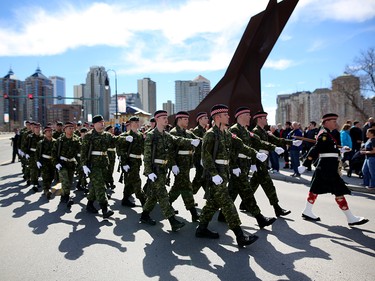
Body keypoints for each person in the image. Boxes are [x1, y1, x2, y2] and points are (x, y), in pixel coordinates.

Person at [195, 104, 261, 247]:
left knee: (212, 203)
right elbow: (205, 157)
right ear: (218, 117)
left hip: (224, 173)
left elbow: (241, 145)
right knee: (227, 203)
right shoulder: (211, 134)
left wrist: (256, 154)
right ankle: (240, 236)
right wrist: (213, 174)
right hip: (215, 174)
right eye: (225, 115)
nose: (229, 116)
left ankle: (201, 229)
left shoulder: (226, 133)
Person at [299, 113, 369, 226]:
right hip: (327, 167)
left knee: (315, 189)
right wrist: (305, 163)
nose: (336, 123)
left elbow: (329, 149)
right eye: (333, 121)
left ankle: (307, 211)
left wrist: (341, 151)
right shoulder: (324, 135)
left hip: (327, 167)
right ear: (326, 122)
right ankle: (351, 218)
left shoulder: (329, 135)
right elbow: (315, 148)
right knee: (338, 190)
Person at [140, 110, 200, 232]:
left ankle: (144, 215)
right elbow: (146, 156)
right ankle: (172, 221)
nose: (166, 119)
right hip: (155, 170)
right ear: (157, 119)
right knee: (162, 195)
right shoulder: (152, 135)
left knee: (152, 196)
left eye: (166, 117)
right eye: (163, 117)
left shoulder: (166, 135)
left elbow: (177, 140)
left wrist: (191, 141)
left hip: (163, 169)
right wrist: (148, 172)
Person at [224, 107, 279, 229]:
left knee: (232, 191)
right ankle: (260, 218)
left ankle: (222, 215)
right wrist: (233, 166)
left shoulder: (246, 131)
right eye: (247, 115)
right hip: (238, 165)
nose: (250, 117)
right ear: (241, 116)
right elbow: (231, 150)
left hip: (245, 164)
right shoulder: (234, 130)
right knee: (247, 192)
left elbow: (258, 143)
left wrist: (274, 148)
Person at [251, 111, 301, 217]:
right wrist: (253, 163)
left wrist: (291, 142)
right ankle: (277, 208)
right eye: (265, 118)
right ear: (259, 119)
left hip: (264, 161)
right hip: (259, 161)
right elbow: (258, 144)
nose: (267, 120)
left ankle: (243, 204)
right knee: (268, 185)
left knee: (252, 184)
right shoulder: (255, 131)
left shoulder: (264, 131)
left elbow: (276, 140)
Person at [81, 115, 118, 218]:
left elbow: (116, 140)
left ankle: (89, 204)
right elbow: (83, 152)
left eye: (103, 122)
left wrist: (126, 138)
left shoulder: (107, 135)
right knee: (101, 185)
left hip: (104, 164)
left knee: (95, 185)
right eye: (100, 122)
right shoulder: (89, 136)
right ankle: (105, 208)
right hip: (93, 165)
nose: (102, 123)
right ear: (94, 124)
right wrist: (84, 165)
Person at [168, 111, 200, 222]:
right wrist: (173, 165)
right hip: (178, 164)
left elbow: (199, 140)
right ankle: (193, 213)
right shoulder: (173, 132)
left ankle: (167, 204)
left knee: (179, 186)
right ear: (179, 119)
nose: (188, 121)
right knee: (186, 187)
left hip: (186, 165)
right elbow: (170, 151)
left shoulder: (188, 133)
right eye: (185, 119)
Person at [116, 116, 147, 207]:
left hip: (137, 161)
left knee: (129, 182)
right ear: (131, 123)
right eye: (135, 122)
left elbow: (143, 149)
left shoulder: (140, 135)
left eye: (138, 122)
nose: (137, 124)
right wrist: (124, 163)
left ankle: (125, 199)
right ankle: (143, 200)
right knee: (137, 181)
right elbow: (121, 151)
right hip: (129, 162)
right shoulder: (126, 136)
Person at [52, 122, 81, 207]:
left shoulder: (76, 140)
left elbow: (80, 151)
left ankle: (64, 196)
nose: (71, 130)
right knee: (65, 180)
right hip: (62, 163)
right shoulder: (60, 140)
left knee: (69, 181)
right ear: (65, 129)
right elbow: (53, 152)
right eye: (69, 128)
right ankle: (67, 197)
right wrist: (56, 163)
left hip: (71, 164)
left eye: (72, 128)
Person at [36, 126, 56, 199]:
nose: (50, 133)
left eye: (51, 131)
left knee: (51, 176)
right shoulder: (41, 143)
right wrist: (37, 161)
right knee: (45, 176)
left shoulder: (55, 142)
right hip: (44, 161)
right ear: (45, 133)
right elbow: (37, 153)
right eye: (48, 131)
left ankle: (47, 187)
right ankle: (46, 190)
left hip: (52, 161)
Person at [191, 112, 209, 195]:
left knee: (202, 176)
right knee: (200, 176)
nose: (207, 119)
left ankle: (209, 196)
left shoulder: (204, 129)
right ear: (200, 120)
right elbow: (198, 145)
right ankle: (190, 194)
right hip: (198, 157)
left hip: (203, 157)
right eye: (205, 118)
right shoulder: (197, 130)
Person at [23, 122, 44, 192]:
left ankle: (38, 180)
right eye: (36, 128)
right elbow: (24, 146)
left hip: (41, 155)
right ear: (34, 129)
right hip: (32, 155)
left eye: (39, 128)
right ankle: (35, 183)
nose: (37, 129)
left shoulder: (43, 137)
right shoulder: (30, 137)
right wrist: (26, 153)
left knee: (39, 170)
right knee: (33, 169)